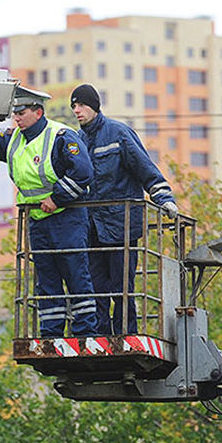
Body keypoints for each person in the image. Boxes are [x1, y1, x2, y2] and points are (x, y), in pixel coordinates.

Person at [0, 86, 97, 338]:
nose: (16, 118)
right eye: (14, 113)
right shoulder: (15, 139)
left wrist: (57, 198)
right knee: (47, 279)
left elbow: (83, 173)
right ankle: (51, 332)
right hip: (38, 221)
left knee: (75, 274)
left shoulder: (60, 136)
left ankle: (85, 331)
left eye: (21, 113)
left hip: (66, 218)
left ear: (38, 112)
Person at [70, 83, 178, 335]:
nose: (77, 110)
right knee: (95, 287)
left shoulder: (118, 133)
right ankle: (101, 336)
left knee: (121, 287)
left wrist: (164, 198)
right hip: (92, 228)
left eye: (82, 105)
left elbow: (145, 170)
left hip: (121, 226)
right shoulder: (77, 141)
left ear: (95, 106)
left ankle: (124, 335)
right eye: (74, 106)